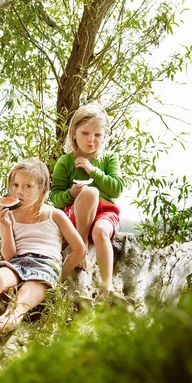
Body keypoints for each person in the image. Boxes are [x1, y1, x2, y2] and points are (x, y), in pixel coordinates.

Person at [0, 158, 85, 338]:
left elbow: (79, 249)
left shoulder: (54, 215)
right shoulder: (10, 215)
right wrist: (5, 224)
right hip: (18, 263)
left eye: (28, 186)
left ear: (42, 188)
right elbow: (9, 255)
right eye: (16, 185)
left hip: (45, 266)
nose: (20, 191)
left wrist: (59, 275)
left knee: (21, 301)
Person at [50, 103, 124, 299]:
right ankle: (80, 244)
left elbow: (116, 189)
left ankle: (106, 285)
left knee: (101, 231)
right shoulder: (65, 162)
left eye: (98, 135)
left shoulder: (109, 159)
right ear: (74, 133)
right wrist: (71, 194)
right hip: (76, 215)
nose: (91, 140)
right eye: (85, 133)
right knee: (90, 193)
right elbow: (55, 197)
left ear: (106, 135)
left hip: (104, 213)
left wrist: (94, 171)